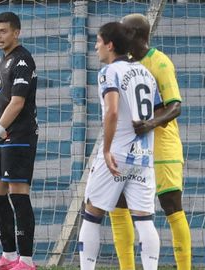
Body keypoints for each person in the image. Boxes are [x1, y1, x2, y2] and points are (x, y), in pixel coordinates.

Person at [109, 13, 191, 270]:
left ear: (133, 34)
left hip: (163, 146)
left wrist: (150, 124)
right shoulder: (125, 64)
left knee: (171, 206)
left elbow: (175, 106)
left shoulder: (160, 62)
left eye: (122, 31)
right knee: (118, 203)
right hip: (131, 147)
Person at [78, 22, 162, 270]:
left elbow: (112, 111)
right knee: (145, 220)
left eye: (98, 41)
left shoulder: (109, 72)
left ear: (110, 45)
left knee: (91, 214)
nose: (95, 47)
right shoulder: (146, 73)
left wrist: (106, 150)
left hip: (116, 156)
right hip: (143, 156)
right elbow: (157, 112)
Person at [0, 12, 38, 270]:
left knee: (18, 195)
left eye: (3, 31)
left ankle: (26, 261)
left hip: (20, 137)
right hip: (5, 137)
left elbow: (17, 102)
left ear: (17, 32)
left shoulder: (22, 59)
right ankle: (9, 256)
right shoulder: (6, 60)